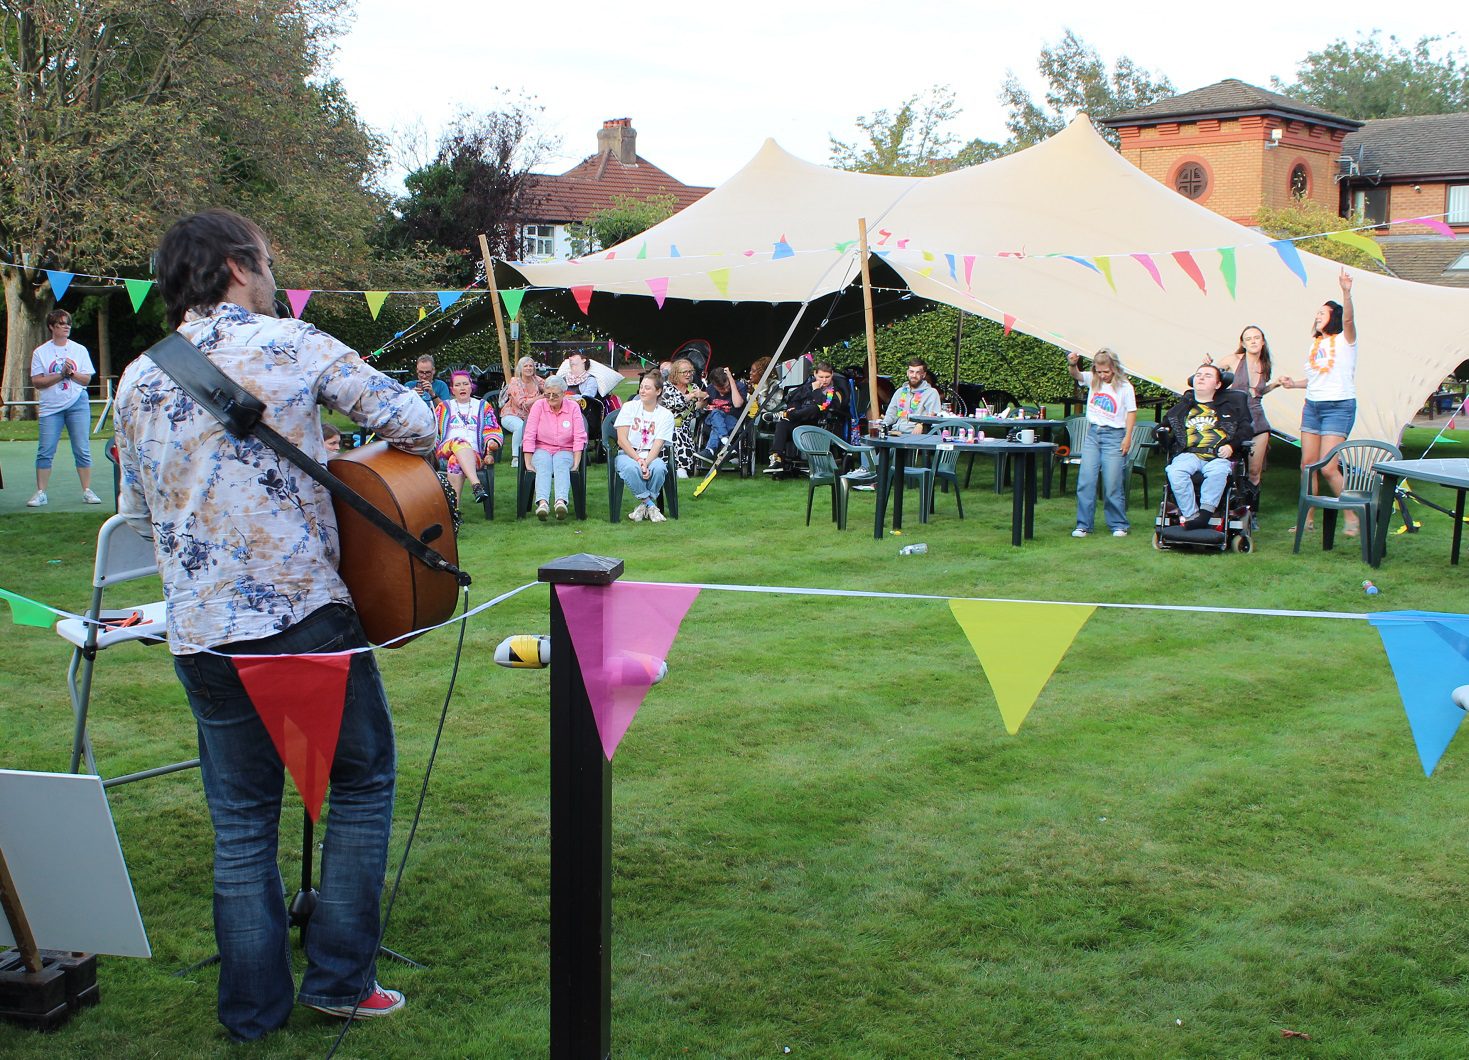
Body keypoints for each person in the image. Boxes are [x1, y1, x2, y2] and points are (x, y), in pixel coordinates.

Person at [114, 209, 434, 1041]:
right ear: (233, 265)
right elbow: (419, 423)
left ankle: (252, 1012)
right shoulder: (292, 343)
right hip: (300, 616)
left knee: (242, 822)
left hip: (200, 630)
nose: (271, 272)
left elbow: (139, 515)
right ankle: (339, 982)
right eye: (265, 260)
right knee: (359, 788)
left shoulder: (138, 376)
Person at [1277, 268, 1361, 535]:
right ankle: (1308, 518)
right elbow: (1317, 378)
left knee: (1328, 467)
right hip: (1312, 406)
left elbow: (1349, 320)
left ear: (1333, 317)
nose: (1317, 316)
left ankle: (1352, 515)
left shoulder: (1345, 341)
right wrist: (1294, 384)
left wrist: (1346, 293)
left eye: (1322, 313)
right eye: (1316, 313)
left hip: (1338, 407)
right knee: (1307, 465)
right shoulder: (1315, 345)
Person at [1161, 363, 1251, 530]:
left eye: (1208, 375)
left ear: (1217, 385)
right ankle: (1192, 516)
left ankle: (1205, 515)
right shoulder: (1181, 408)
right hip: (1190, 453)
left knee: (1218, 472)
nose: (1201, 377)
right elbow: (1161, 428)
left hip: (1218, 455)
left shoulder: (1229, 407)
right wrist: (1162, 433)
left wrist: (1232, 446)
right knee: (1175, 471)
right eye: (1199, 374)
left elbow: (1246, 430)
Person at [28, 309, 101, 507]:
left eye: (68, 323)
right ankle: (41, 492)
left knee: (81, 447)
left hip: (77, 403)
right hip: (51, 407)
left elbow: (86, 378)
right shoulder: (41, 352)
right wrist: (61, 374)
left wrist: (71, 373)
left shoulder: (79, 350)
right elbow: (37, 382)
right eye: (61, 324)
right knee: (46, 449)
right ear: (52, 327)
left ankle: (87, 490)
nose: (66, 326)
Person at [1066, 348, 1136, 538]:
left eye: (1106, 372)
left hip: (1115, 435)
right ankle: (1083, 525)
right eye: (1099, 371)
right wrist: (1072, 363)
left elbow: (1131, 412)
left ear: (1114, 368)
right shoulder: (1093, 379)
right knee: (1086, 481)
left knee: (1112, 482)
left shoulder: (1124, 387)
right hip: (1093, 434)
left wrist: (1128, 437)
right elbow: (1076, 374)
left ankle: (1118, 524)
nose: (1103, 375)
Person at [1215, 325, 1280, 487]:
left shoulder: (1265, 365)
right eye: (1248, 339)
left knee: (1254, 471)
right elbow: (1213, 378)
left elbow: (1258, 392)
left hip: (1258, 419)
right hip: (1235, 418)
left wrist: (1275, 385)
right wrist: (1208, 365)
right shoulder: (1233, 360)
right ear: (1243, 343)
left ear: (1263, 342)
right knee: (1228, 466)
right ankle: (1229, 504)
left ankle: (1252, 509)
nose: (1253, 341)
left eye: (1257, 338)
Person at [433, 369, 503, 509]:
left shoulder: (483, 406)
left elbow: (493, 429)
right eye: (458, 385)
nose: (462, 387)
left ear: (471, 386)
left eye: (465, 384)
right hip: (444, 452)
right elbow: (433, 431)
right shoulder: (444, 407)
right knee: (459, 441)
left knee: (455, 461)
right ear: (452, 389)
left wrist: (491, 441)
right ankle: (476, 484)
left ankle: (454, 511)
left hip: (474, 456)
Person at [763, 361, 844, 475]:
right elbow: (792, 399)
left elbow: (825, 407)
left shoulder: (834, 392)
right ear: (815, 374)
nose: (824, 380)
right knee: (782, 424)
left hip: (818, 425)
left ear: (832, 375)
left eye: (827, 377)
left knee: (815, 408)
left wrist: (816, 390)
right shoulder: (807, 387)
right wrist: (793, 408)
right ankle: (776, 459)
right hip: (798, 422)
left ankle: (785, 414)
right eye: (821, 377)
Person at [614, 372, 675, 522]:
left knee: (660, 468)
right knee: (631, 468)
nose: (642, 391)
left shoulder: (665, 415)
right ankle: (650, 505)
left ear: (658, 391)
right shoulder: (629, 407)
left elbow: (658, 444)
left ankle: (643, 507)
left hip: (651, 455)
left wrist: (646, 462)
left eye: (647, 388)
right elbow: (621, 439)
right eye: (641, 387)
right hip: (627, 454)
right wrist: (638, 460)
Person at [523, 377, 586, 520]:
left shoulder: (573, 407)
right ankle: (543, 503)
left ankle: (560, 502)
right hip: (542, 447)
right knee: (543, 463)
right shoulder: (539, 406)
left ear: (564, 393)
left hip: (565, 449)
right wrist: (528, 462)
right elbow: (529, 434)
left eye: (555, 395)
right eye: (547, 394)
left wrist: (576, 463)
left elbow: (579, 436)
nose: (550, 398)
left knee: (561, 463)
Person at [659, 356, 707, 478]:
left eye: (690, 371)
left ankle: (682, 469)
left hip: (685, 426)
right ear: (676, 373)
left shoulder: (694, 387)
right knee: (675, 433)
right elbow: (676, 404)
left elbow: (702, 404)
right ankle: (668, 468)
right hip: (666, 426)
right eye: (684, 372)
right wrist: (690, 397)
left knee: (681, 433)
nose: (688, 374)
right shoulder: (666, 387)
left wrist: (703, 396)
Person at [499, 355, 544, 469]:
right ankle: (516, 458)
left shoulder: (537, 380)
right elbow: (522, 403)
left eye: (531, 366)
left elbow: (550, 387)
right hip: (511, 415)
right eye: (526, 366)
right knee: (520, 427)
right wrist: (542, 396)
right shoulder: (515, 382)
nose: (529, 368)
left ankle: (537, 455)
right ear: (520, 369)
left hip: (530, 416)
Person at [698, 365, 748, 462]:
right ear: (714, 386)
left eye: (727, 386)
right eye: (721, 389)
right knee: (716, 413)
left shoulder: (739, 386)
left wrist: (731, 381)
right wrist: (700, 398)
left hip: (732, 419)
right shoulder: (710, 389)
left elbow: (737, 404)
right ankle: (726, 443)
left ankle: (710, 450)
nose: (725, 390)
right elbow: (701, 406)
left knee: (717, 426)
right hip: (712, 419)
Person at [882, 358, 941, 435]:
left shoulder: (931, 393)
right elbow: (891, 415)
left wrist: (921, 424)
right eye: (911, 372)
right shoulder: (900, 392)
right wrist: (881, 424)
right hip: (896, 433)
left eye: (918, 373)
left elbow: (934, 415)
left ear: (923, 375)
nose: (914, 375)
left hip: (918, 437)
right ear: (907, 373)